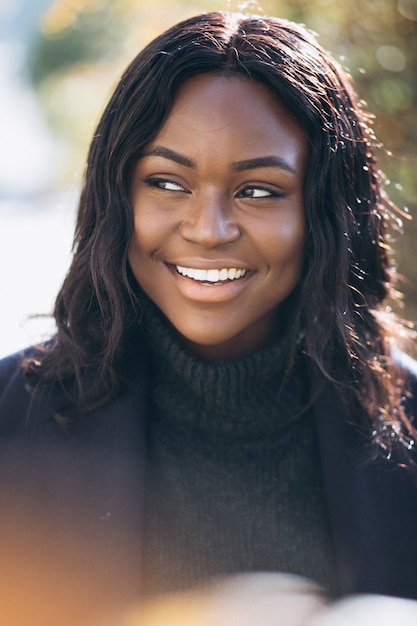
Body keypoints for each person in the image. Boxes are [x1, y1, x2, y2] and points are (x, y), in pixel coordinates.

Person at [0, 10, 417, 624]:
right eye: (168, 183)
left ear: (326, 213)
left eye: (257, 191)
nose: (208, 229)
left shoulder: (409, 418)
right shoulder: (9, 421)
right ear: (118, 196)